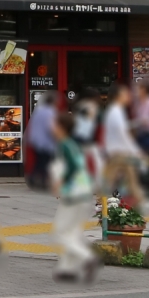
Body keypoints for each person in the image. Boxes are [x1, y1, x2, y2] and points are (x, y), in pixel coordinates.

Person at [49, 111, 99, 283]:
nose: (52, 127)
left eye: (54, 124)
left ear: (62, 127)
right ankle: (67, 269)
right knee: (73, 232)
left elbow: (72, 167)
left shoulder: (64, 145)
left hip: (72, 194)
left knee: (61, 231)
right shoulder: (74, 144)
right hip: (84, 192)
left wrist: (59, 183)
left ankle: (87, 258)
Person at [98, 84, 141, 209]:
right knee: (126, 179)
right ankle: (134, 204)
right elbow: (123, 134)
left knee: (125, 179)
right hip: (119, 152)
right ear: (119, 96)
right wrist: (136, 150)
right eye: (126, 94)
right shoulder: (115, 111)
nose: (129, 97)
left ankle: (134, 204)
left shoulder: (115, 111)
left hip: (117, 152)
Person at [25, 93, 59, 191]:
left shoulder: (38, 111)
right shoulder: (51, 112)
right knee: (46, 162)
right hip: (46, 142)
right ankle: (43, 181)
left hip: (35, 140)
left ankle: (32, 177)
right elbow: (51, 127)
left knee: (39, 161)